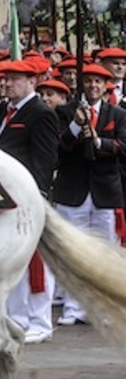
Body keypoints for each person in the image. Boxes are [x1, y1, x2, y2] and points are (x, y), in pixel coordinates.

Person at [0, 60, 60, 344]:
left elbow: (45, 162)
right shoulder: (2, 112)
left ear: (31, 81)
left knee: (37, 263)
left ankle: (40, 320)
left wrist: (37, 199)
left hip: (29, 199)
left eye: (14, 79)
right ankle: (19, 318)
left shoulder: (40, 113)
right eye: (5, 79)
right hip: (7, 198)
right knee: (14, 261)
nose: (6, 84)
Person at [54, 63, 126, 326]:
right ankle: (74, 307)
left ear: (106, 85)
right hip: (73, 190)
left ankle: (105, 308)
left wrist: (98, 143)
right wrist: (76, 126)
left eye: (98, 82)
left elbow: (123, 146)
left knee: (105, 253)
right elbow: (59, 147)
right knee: (74, 253)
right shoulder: (66, 112)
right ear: (82, 85)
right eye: (89, 81)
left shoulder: (117, 114)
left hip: (105, 192)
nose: (93, 86)